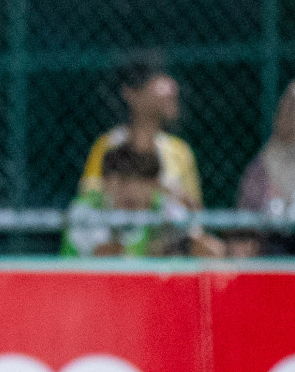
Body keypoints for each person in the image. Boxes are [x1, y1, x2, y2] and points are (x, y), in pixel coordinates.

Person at [79, 59, 202, 210]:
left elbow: (195, 213)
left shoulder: (180, 151)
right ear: (130, 93)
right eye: (158, 79)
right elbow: (89, 200)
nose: (172, 87)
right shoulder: (108, 145)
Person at [62, 145, 223, 258]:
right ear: (105, 183)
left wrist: (191, 240)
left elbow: (200, 240)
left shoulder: (158, 203)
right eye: (122, 180)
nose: (131, 189)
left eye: (139, 179)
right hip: (81, 289)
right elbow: (106, 255)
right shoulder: (86, 207)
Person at [229, 79, 295, 257]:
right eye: (286, 107)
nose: (289, 115)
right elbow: (246, 219)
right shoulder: (263, 164)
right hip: (272, 248)